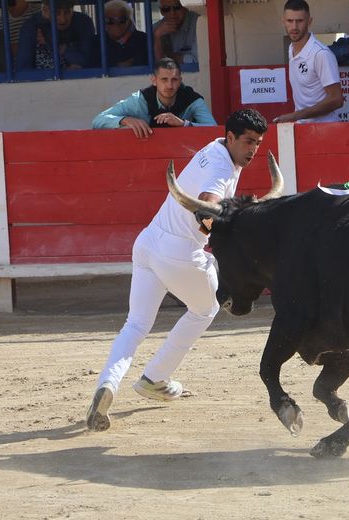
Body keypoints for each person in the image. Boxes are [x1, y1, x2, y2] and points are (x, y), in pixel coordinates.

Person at [86, 108, 269, 432]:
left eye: (257, 143)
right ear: (231, 138)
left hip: (148, 241)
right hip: (180, 250)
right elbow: (206, 205)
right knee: (206, 308)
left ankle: (108, 385)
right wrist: (225, 228)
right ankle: (155, 377)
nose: (253, 149)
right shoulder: (221, 166)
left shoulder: (215, 148)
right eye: (248, 141)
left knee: (137, 323)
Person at [92, 57, 216, 138]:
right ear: (154, 81)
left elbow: (214, 130)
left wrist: (183, 124)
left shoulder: (192, 100)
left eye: (174, 80)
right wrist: (125, 120)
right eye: (164, 79)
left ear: (180, 81)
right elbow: (98, 120)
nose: (169, 85)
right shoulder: (140, 100)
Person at [273, 0, 343, 124]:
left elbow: (337, 99)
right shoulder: (291, 48)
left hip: (326, 129)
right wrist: (298, 118)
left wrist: (296, 116)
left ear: (309, 21)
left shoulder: (321, 54)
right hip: (304, 128)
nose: (294, 27)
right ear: (283, 21)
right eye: (290, 21)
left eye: (300, 21)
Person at [16, 0, 95, 71]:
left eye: (67, 12)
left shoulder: (83, 22)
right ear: (45, 10)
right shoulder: (31, 26)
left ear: (72, 9)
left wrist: (61, 49)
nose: (63, 19)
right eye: (57, 13)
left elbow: (89, 62)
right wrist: (63, 75)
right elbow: (23, 70)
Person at [91, 0, 148, 68]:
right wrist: (116, 68)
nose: (116, 24)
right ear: (103, 22)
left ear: (129, 21)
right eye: (109, 20)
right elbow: (91, 68)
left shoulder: (144, 40)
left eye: (122, 20)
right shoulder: (95, 43)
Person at [153, 0, 198, 65]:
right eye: (166, 9)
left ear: (184, 8)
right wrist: (156, 37)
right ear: (161, 11)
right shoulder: (156, 29)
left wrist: (170, 57)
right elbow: (155, 65)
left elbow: (197, 60)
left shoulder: (198, 23)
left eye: (177, 7)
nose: (172, 13)